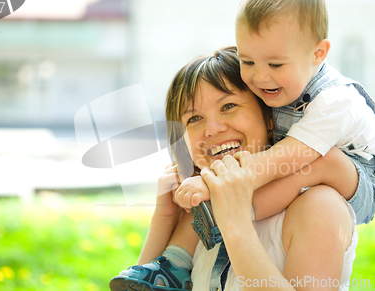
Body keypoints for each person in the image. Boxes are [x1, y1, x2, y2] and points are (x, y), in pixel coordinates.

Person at [110, 46, 357, 291]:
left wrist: (235, 223)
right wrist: (164, 219)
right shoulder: (196, 216)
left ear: (270, 116)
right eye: (194, 118)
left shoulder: (319, 206)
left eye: (228, 106)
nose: (213, 128)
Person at [176, 0, 375, 227]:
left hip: (358, 183)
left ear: (318, 54)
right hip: (298, 162)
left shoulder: (335, 100)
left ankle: (235, 213)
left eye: (275, 65)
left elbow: (281, 159)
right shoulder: (281, 85)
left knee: (321, 161)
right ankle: (225, 210)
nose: (260, 77)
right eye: (247, 61)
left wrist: (214, 183)